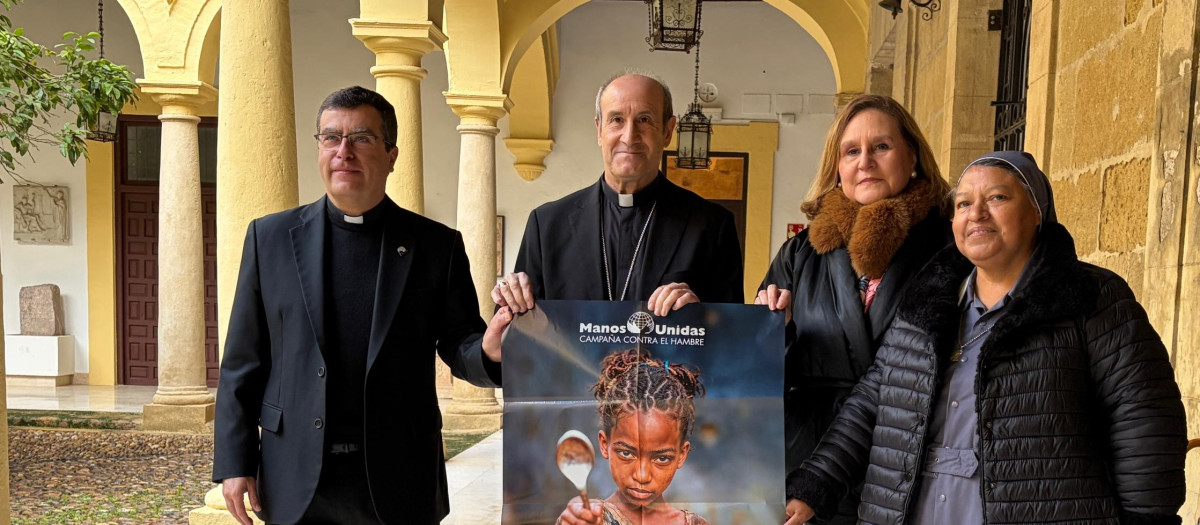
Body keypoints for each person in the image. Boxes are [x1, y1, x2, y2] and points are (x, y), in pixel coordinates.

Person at [785, 151, 1188, 524]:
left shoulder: (1092, 299)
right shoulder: (928, 302)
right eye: (962, 204)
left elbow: (1144, 423)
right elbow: (871, 405)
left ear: (1037, 213)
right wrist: (813, 486)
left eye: (996, 198)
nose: (976, 213)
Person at [212, 86, 508, 525]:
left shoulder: (435, 246)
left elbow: (459, 342)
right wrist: (235, 463)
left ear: (391, 155)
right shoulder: (269, 239)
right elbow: (242, 362)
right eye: (331, 138)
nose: (343, 152)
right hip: (293, 475)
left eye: (362, 138)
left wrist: (488, 350)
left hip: (398, 474)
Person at [754, 95, 951, 523]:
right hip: (808, 466)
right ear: (837, 167)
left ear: (912, 154)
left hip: (907, 457)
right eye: (851, 151)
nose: (865, 161)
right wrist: (771, 331)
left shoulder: (949, 247)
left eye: (881, 146)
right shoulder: (799, 254)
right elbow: (755, 377)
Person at [494, 72, 743, 318]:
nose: (629, 136)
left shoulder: (712, 226)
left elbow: (733, 338)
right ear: (599, 129)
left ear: (668, 131)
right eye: (616, 120)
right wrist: (510, 301)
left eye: (645, 120)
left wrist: (701, 317)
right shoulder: (547, 224)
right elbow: (517, 331)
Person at [557, 349, 709, 525]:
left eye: (662, 458)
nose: (642, 475)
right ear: (605, 444)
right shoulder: (587, 519)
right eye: (627, 453)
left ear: (682, 455)